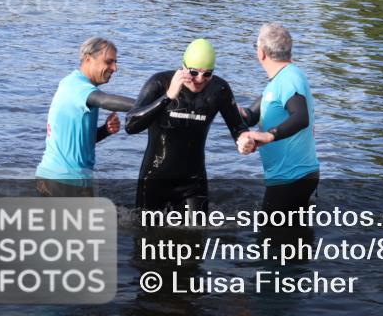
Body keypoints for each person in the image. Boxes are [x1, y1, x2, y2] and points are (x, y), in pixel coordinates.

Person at [125, 38, 248, 213]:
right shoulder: (160, 83)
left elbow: (237, 127)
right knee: (147, 235)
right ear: (183, 67)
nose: (199, 79)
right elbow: (130, 125)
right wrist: (167, 96)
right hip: (155, 178)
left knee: (197, 235)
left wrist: (243, 139)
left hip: (193, 182)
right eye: (193, 72)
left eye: (207, 74)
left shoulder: (219, 89)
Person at [36, 37, 134, 196]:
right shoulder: (77, 86)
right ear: (88, 59)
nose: (114, 68)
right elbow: (105, 100)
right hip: (62, 181)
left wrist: (105, 130)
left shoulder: (76, 85)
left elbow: (79, 141)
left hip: (64, 179)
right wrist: (150, 104)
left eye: (115, 62)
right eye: (108, 62)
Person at [237, 24, 319, 213]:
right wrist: (226, 104)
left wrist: (268, 136)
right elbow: (250, 116)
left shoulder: (289, 79)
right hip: (293, 177)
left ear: (261, 53)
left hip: (292, 177)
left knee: (271, 237)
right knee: (294, 236)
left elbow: (301, 117)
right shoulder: (281, 79)